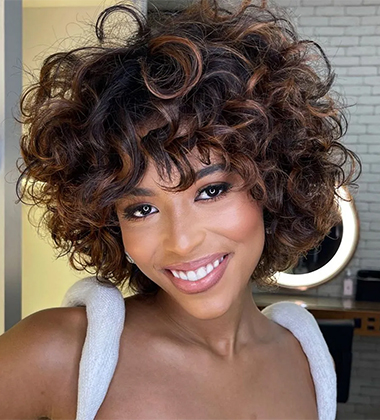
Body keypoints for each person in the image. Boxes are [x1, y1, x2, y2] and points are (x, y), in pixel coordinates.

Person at [0, 0, 359, 419]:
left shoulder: (307, 363)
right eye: (141, 209)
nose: (182, 240)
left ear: (273, 183)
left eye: (211, 191)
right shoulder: (56, 354)